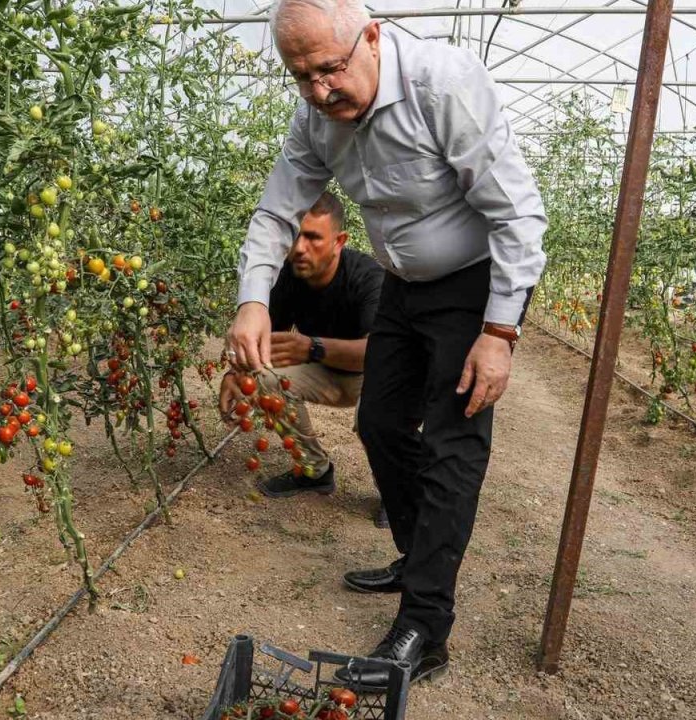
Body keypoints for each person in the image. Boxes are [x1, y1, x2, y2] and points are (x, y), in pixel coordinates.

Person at [225, 0, 547, 690]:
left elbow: (518, 213)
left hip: (473, 285)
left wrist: (499, 333)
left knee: (452, 443)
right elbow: (277, 209)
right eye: (300, 77)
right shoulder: (316, 116)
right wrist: (253, 299)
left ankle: (425, 625)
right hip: (403, 284)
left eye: (329, 70)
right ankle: (415, 552)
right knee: (379, 422)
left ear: (372, 37)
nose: (318, 91)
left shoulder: (443, 84)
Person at [218, 192, 388, 525]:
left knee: (374, 419)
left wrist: (312, 347)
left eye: (312, 238)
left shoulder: (368, 278)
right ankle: (314, 471)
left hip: (375, 375)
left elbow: (379, 353)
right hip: (326, 375)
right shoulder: (286, 276)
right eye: (295, 235)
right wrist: (232, 374)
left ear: (339, 240)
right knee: (265, 378)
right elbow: (263, 345)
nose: (299, 248)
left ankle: (397, 491)